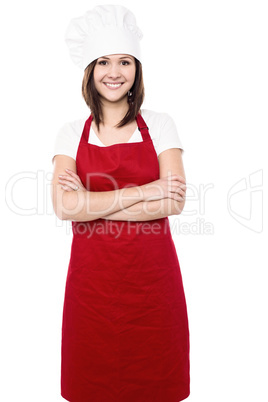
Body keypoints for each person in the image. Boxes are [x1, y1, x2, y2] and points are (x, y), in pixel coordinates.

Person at [51, 5, 190, 402]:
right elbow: (63, 207)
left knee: (157, 383)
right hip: (91, 289)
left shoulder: (161, 124)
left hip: (153, 284)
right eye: (104, 62)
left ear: (137, 69)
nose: (114, 72)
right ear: (90, 71)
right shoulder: (69, 133)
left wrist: (89, 201)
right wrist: (146, 191)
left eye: (125, 61)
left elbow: (175, 201)